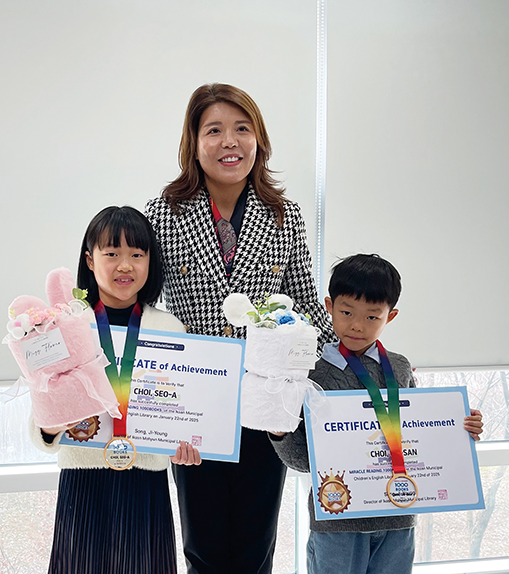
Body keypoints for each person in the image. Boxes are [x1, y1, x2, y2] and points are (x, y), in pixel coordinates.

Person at [145, 83, 335, 574]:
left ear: (259, 140)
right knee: (203, 546)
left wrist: (357, 357)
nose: (229, 141)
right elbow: (139, 302)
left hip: (266, 401)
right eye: (214, 130)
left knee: (255, 545)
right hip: (194, 403)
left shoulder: (282, 214)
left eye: (241, 129)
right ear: (194, 141)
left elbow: (307, 306)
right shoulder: (163, 213)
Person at [269, 254, 484, 574]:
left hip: (398, 515)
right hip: (338, 518)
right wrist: (280, 433)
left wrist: (461, 428)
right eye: (346, 312)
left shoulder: (399, 367)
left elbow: (417, 437)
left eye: (372, 316)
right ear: (329, 306)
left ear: (391, 316)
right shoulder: (311, 374)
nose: (357, 325)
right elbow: (302, 462)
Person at [30, 206, 201, 574]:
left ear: (150, 262)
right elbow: (40, 421)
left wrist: (186, 445)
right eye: (112, 254)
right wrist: (52, 424)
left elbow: (183, 413)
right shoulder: (65, 324)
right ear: (90, 260)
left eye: (137, 254)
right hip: (83, 481)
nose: (126, 265)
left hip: (146, 484)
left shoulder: (170, 328)